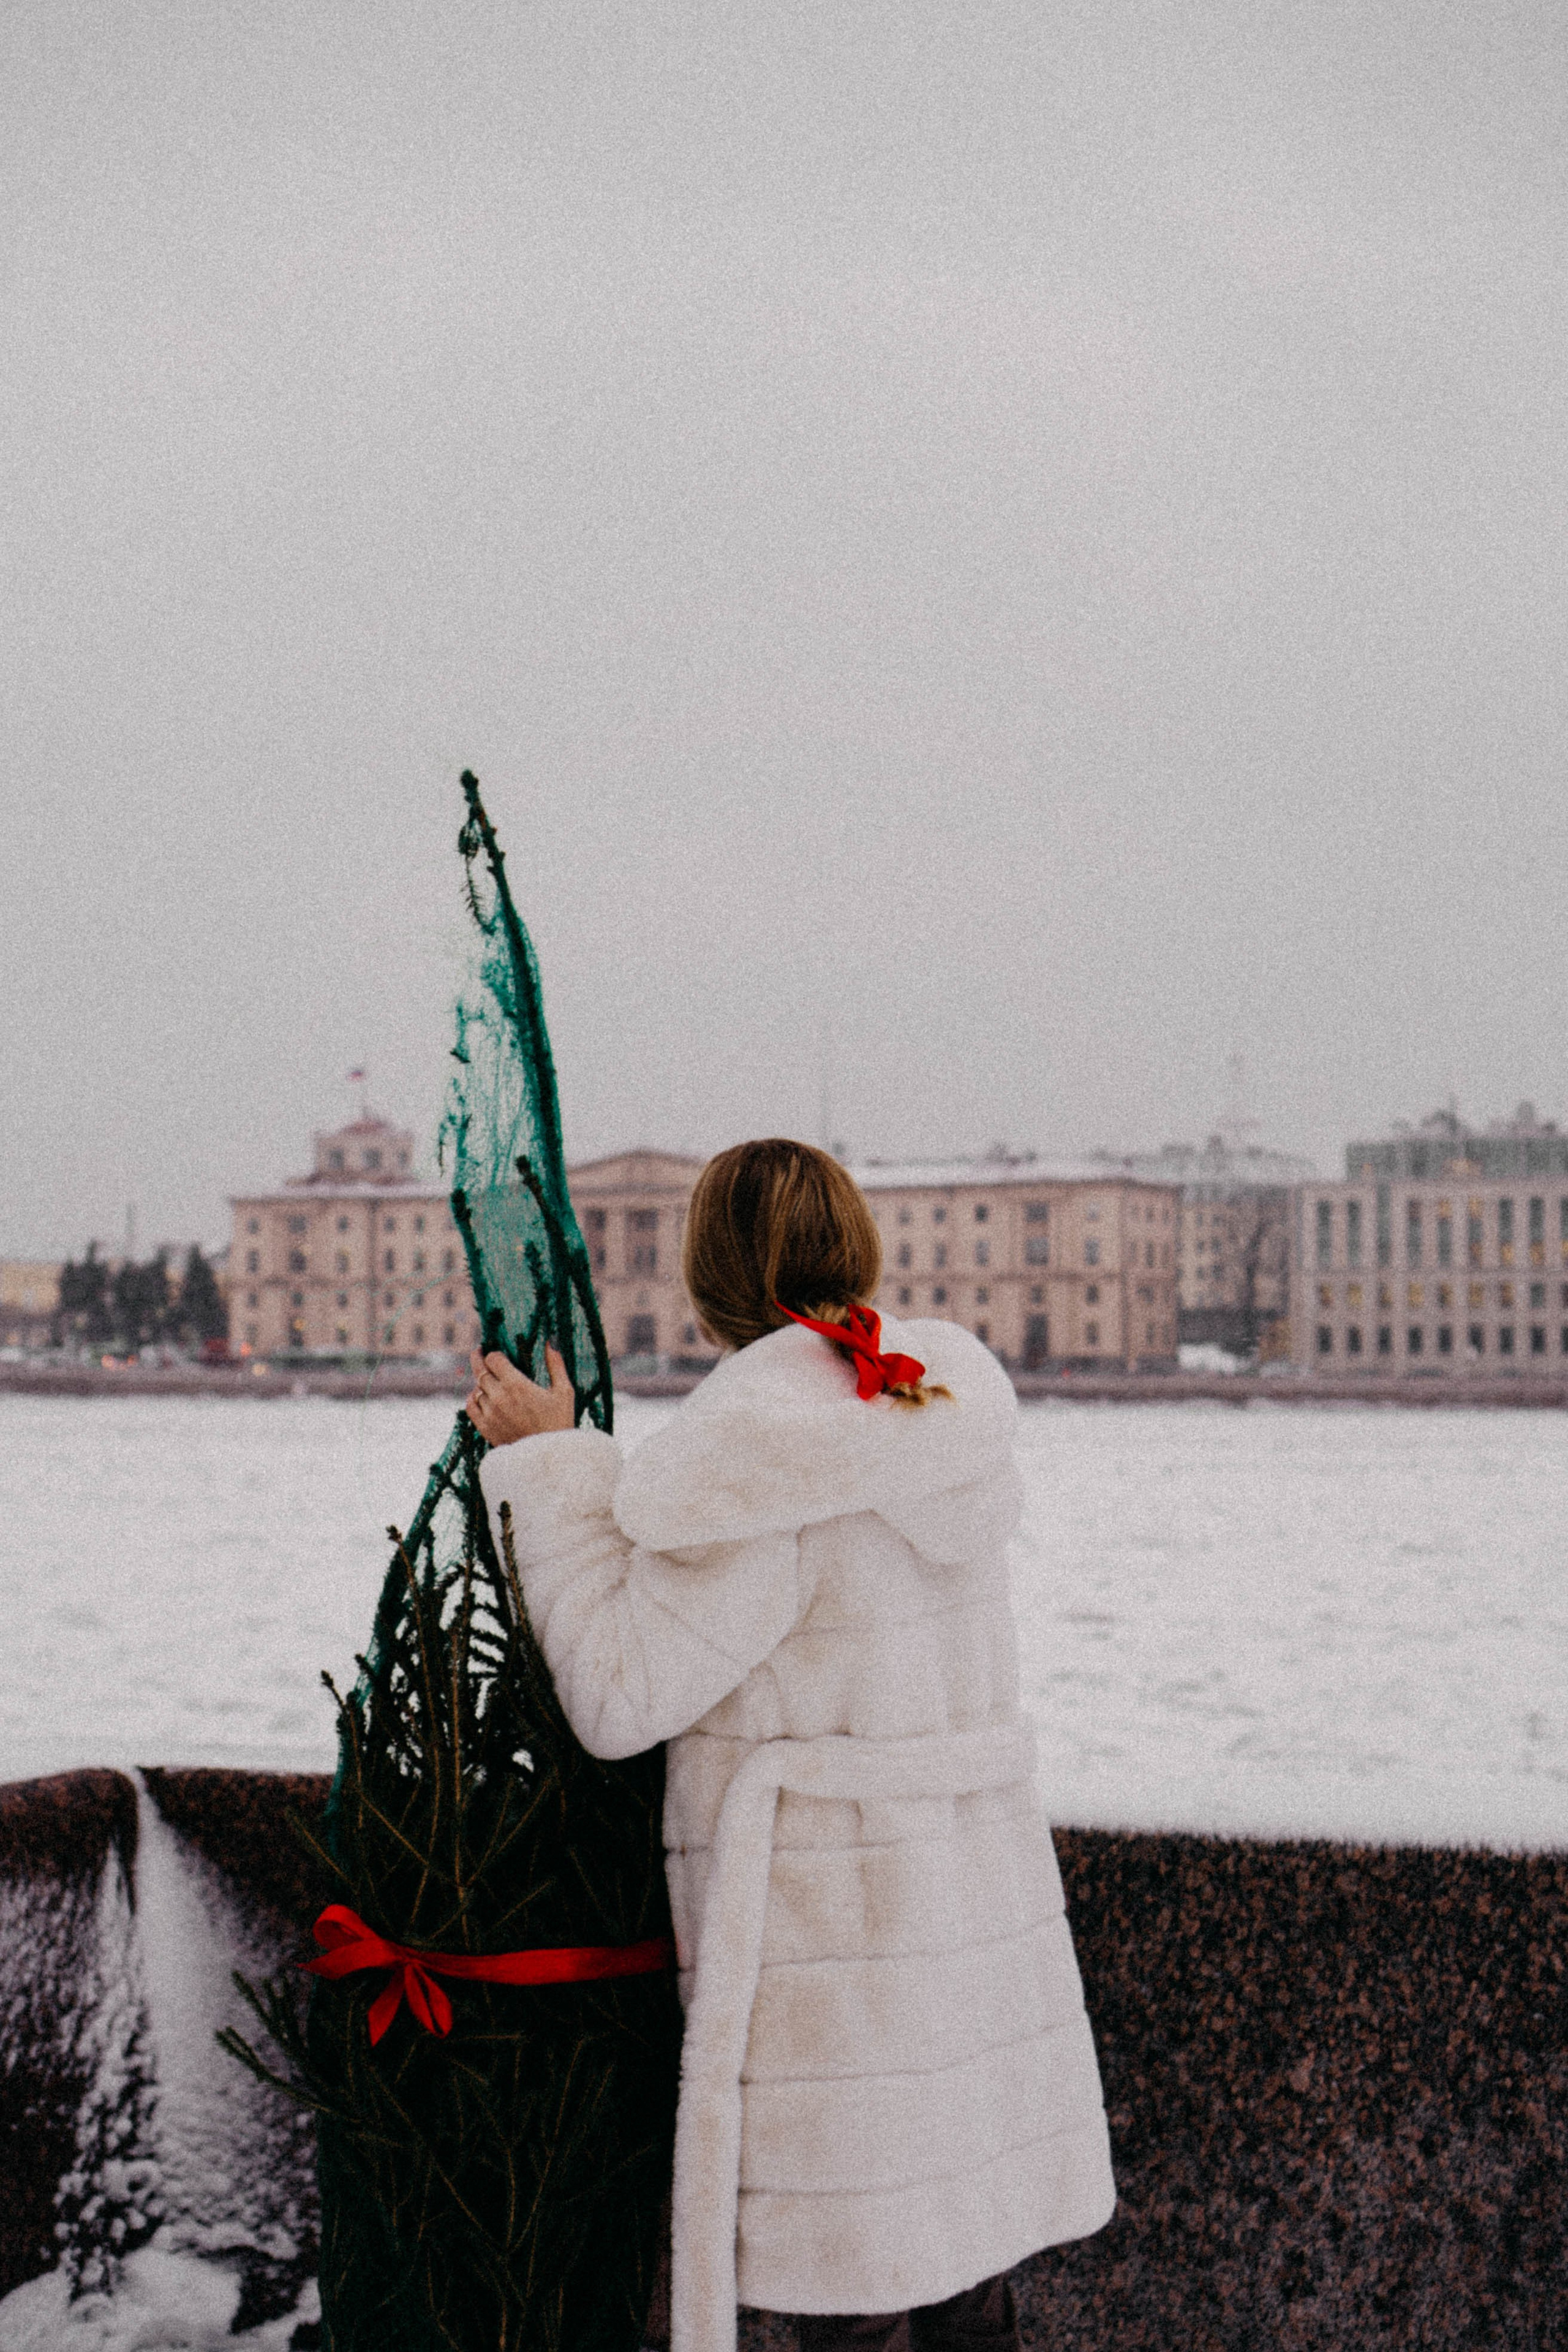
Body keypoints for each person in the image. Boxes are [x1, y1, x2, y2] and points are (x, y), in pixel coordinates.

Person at [464, 1139, 1116, 2352]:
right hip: (964, 1931)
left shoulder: (759, 1461)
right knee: (964, 2276)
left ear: (707, 1279)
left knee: (848, 2294)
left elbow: (618, 1695)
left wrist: (549, 1467)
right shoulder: (921, 1407)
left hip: (834, 1949)